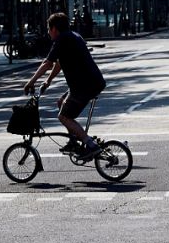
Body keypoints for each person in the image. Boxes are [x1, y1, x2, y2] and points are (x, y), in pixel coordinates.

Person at [24, 11, 107, 158]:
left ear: (55, 29)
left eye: (49, 30)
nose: (49, 33)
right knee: (61, 102)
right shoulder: (73, 36)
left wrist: (31, 82)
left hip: (84, 86)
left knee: (63, 117)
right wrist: (47, 81)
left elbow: (47, 63)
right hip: (89, 83)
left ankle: (89, 144)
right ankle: (73, 142)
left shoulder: (62, 39)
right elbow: (59, 64)